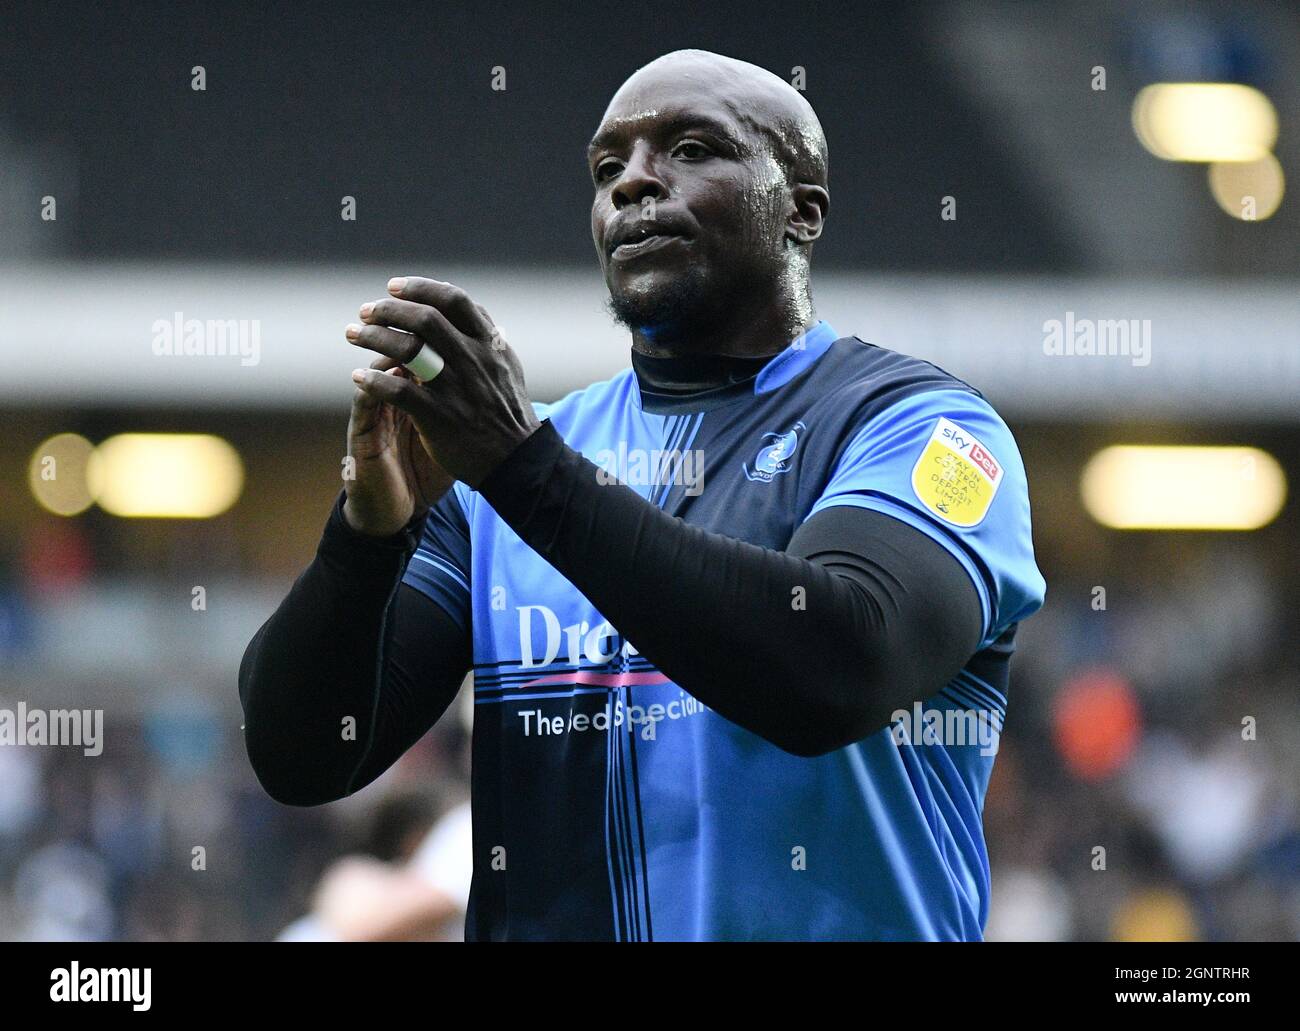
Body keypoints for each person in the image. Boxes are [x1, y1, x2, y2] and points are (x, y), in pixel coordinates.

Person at [240, 49, 1046, 940]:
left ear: (802, 210)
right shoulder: (503, 476)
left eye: (693, 149)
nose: (633, 184)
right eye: (606, 168)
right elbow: (304, 754)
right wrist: (367, 534)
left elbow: (834, 668)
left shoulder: (919, 428)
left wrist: (522, 468)